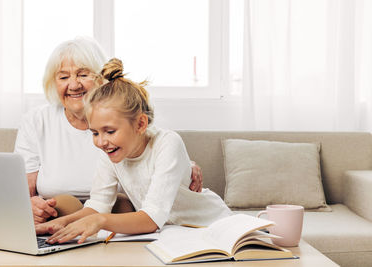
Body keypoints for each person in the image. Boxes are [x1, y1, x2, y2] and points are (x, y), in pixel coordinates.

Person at [35, 58, 232, 244]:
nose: (101, 142)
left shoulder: (167, 143)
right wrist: (64, 222)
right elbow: (98, 205)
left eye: (110, 131)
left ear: (140, 124)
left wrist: (100, 221)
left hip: (214, 226)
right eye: (94, 133)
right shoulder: (112, 153)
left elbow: (151, 218)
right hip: (174, 234)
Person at [14, 37, 203, 224]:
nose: (73, 85)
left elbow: (152, 145)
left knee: (120, 205)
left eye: (83, 74)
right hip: (63, 210)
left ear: (102, 78)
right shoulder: (36, 121)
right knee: (65, 204)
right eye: (64, 77)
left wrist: (184, 165)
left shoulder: (124, 116)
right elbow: (23, 189)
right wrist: (30, 206)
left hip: (120, 212)